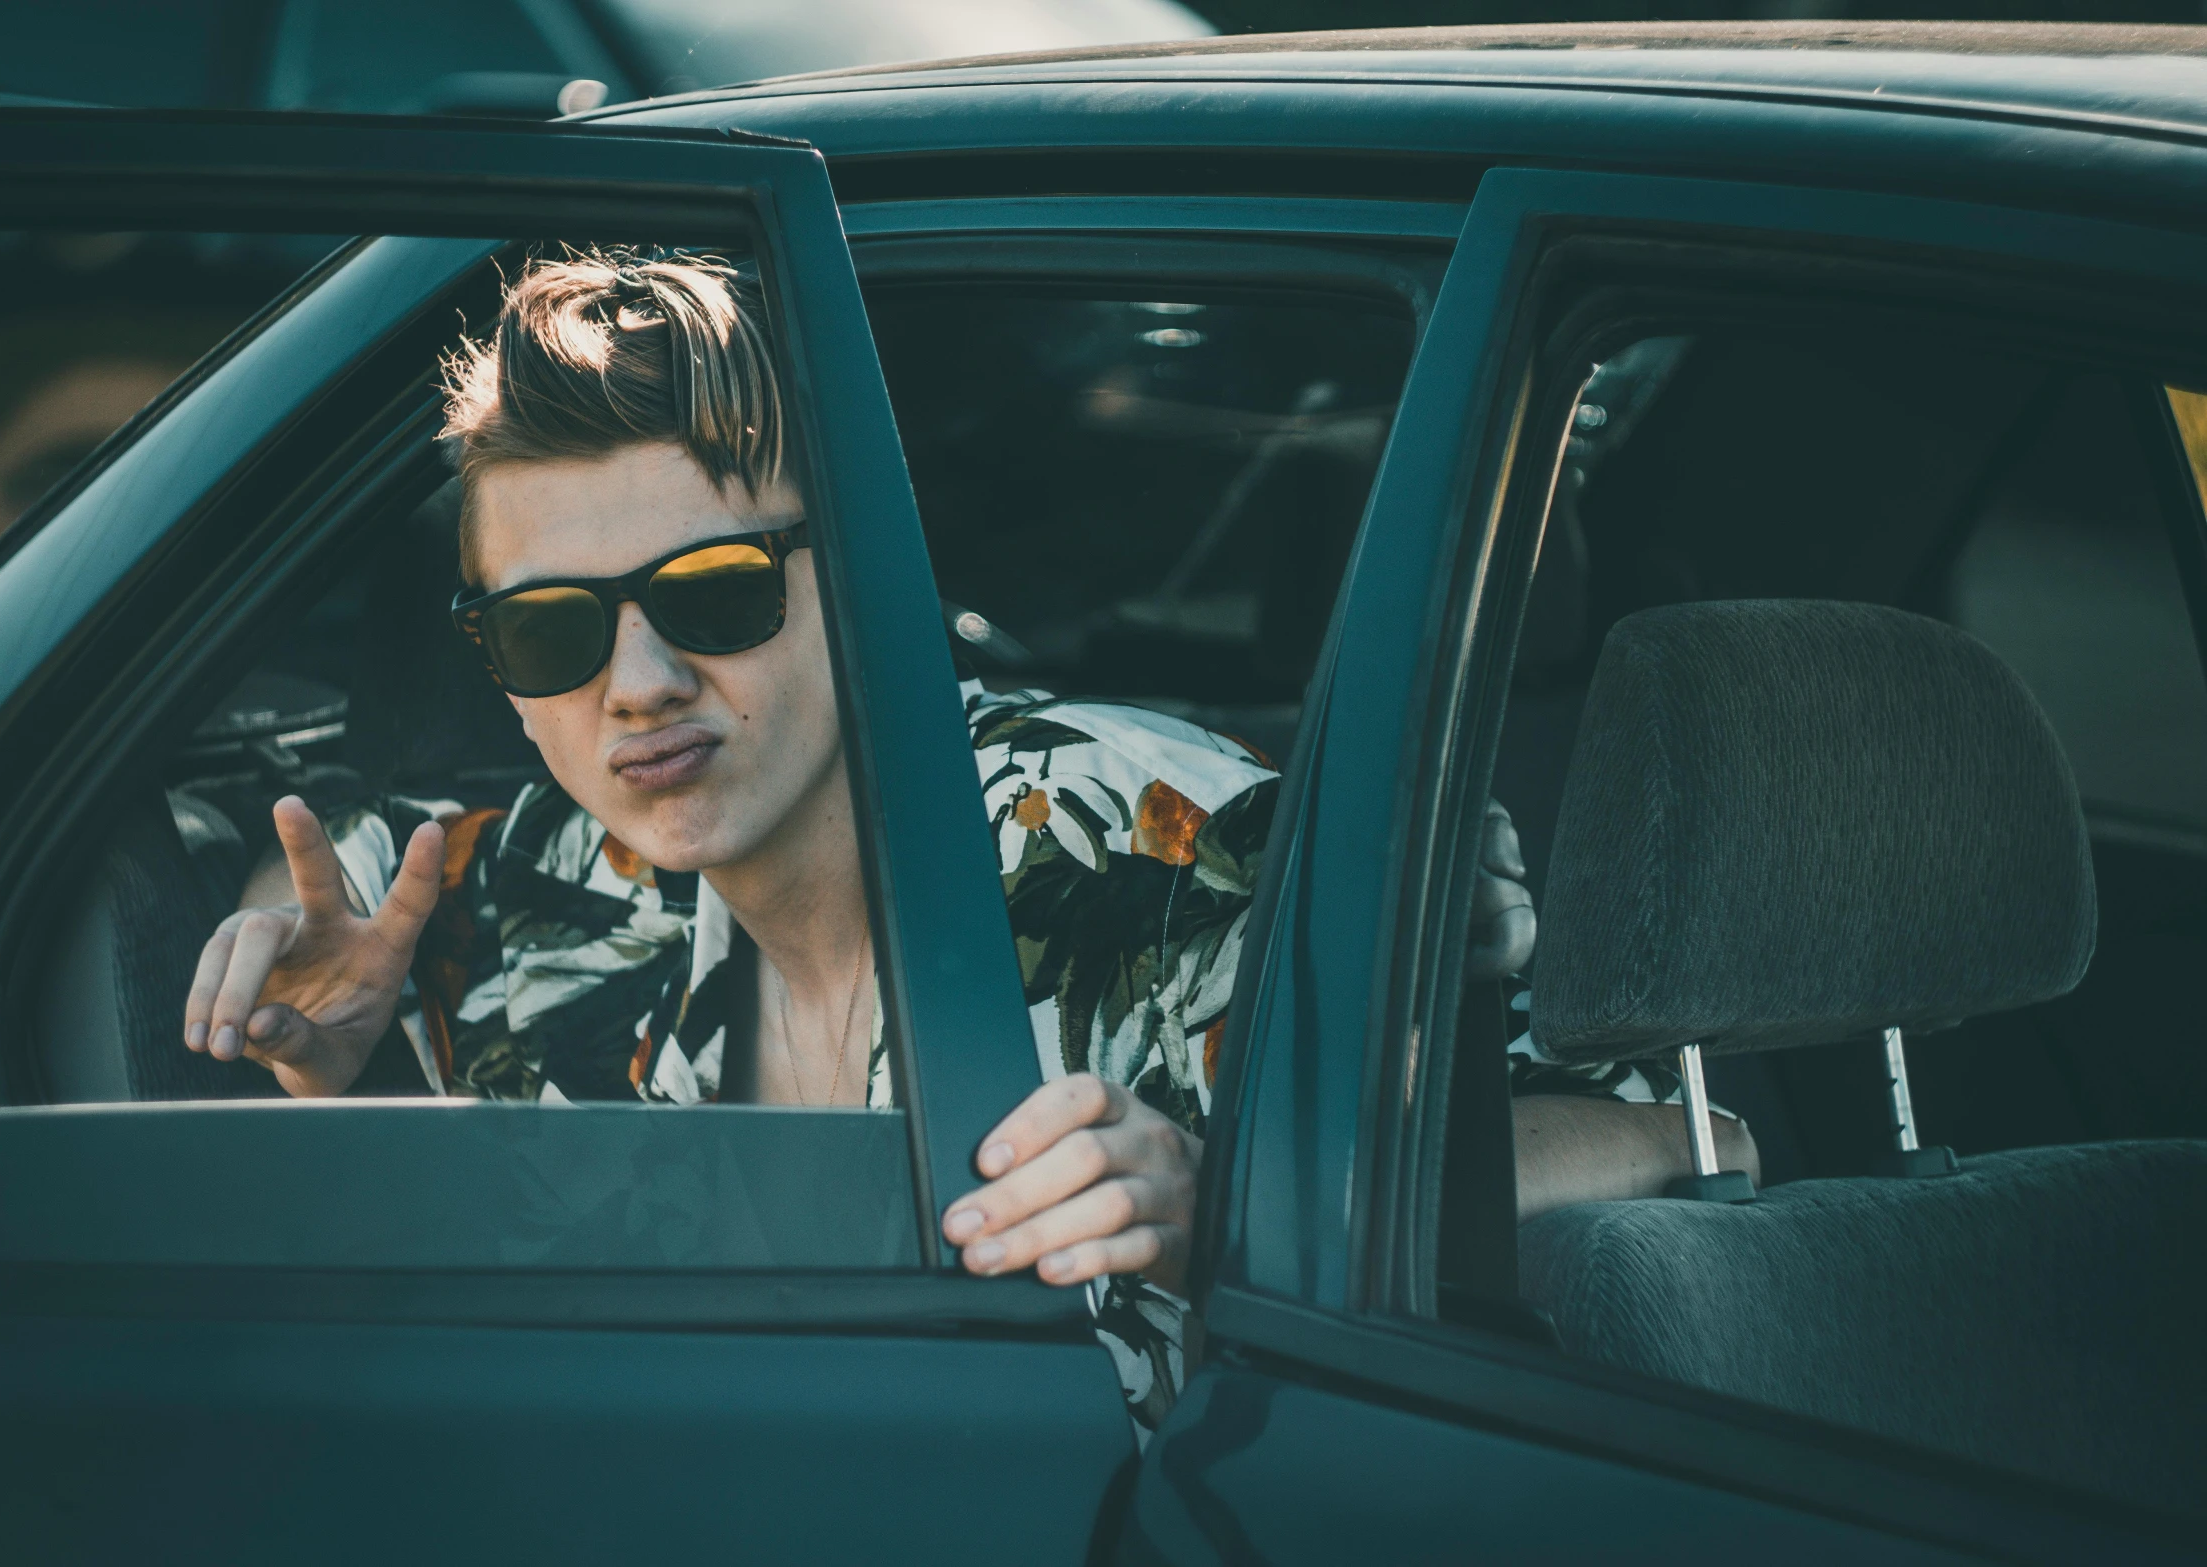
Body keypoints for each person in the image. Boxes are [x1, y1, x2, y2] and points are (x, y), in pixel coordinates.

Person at [181, 249, 1756, 1432]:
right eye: (549, 631)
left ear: (860, 578)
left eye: (720, 591)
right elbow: (368, 863)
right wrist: (313, 1005)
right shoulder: (560, 882)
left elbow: (1685, 1141)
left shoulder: (1147, 833)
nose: (640, 685)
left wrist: (1239, 1195)